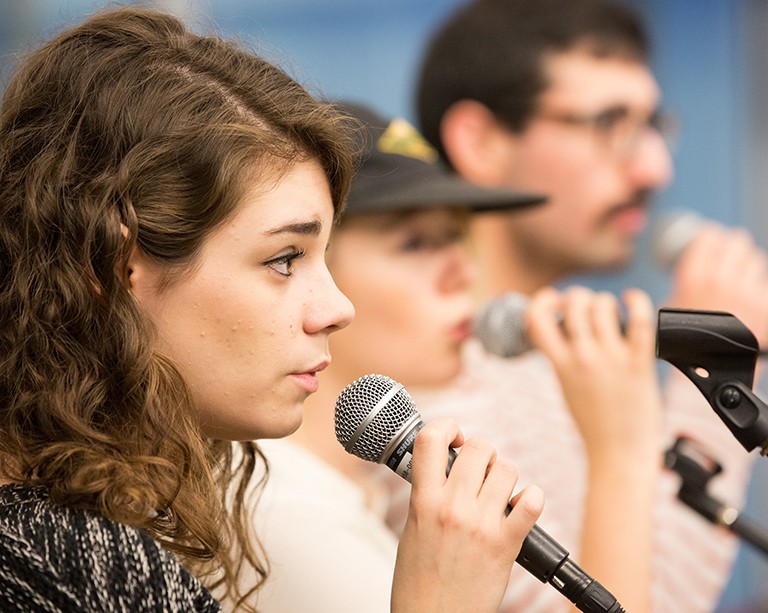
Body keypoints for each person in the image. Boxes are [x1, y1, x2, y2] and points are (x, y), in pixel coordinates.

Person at [0, 7, 545, 613]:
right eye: (285, 259)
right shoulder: (71, 563)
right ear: (114, 267)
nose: (337, 308)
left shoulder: (94, 535)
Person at [379, 0, 768, 611]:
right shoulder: (432, 388)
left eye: (654, 125)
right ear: (480, 141)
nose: (655, 167)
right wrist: (709, 389)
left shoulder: (545, 362)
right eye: (609, 123)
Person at [223, 101, 545, 612]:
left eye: (456, 238)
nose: (463, 272)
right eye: (416, 244)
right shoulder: (279, 508)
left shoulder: (345, 485)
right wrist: (621, 451)